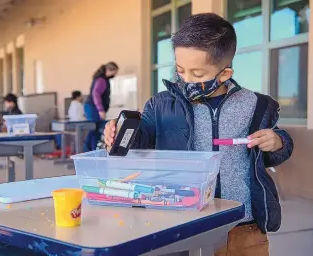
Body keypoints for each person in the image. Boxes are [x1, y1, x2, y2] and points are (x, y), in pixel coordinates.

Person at [104, 13, 293, 256]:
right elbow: (141, 139)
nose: (186, 80)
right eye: (180, 70)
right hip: (179, 221)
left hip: (242, 224)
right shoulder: (162, 104)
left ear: (224, 74)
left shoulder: (257, 105)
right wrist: (118, 133)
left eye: (198, 74)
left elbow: (272, 153)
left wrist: (278, 142)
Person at [83, 61, 119, 152]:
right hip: (93, 108)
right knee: (94, 129)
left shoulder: (101, 79)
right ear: (109, 70)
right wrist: (101, 110)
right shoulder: (102, 80)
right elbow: (96, 94)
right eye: (115, 72)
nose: (115, 74)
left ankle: (91, 151)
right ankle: (88, 151)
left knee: (95, 130)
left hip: (92, 107)